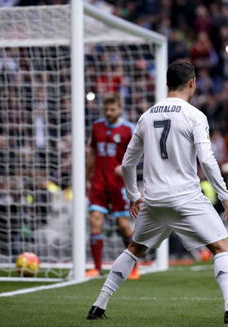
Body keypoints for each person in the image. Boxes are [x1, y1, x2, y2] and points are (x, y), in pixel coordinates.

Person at [86, 61, 228, 324]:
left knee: (134, 249)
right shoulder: (194, 115)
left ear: (167, 84)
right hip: (185, 198)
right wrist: (224, 195)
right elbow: (207, 159)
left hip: (153, 200)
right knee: (223, 247)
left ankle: (98, 305)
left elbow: (126, 163)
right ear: (192, 83)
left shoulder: (146, 116)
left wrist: (134, 195)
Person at [85, 92, 139, 280]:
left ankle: (133, 267)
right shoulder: (97, 126)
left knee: (123, 225)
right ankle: (97, 268)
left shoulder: (128, 129)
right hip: (99, 182)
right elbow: (92, 152)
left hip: (118, 185)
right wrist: (86, 177)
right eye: (106, 109)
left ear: (120, 109)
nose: (108, 112)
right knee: (95, 219)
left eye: (112, 109)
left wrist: (124, 166)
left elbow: (138, 153)